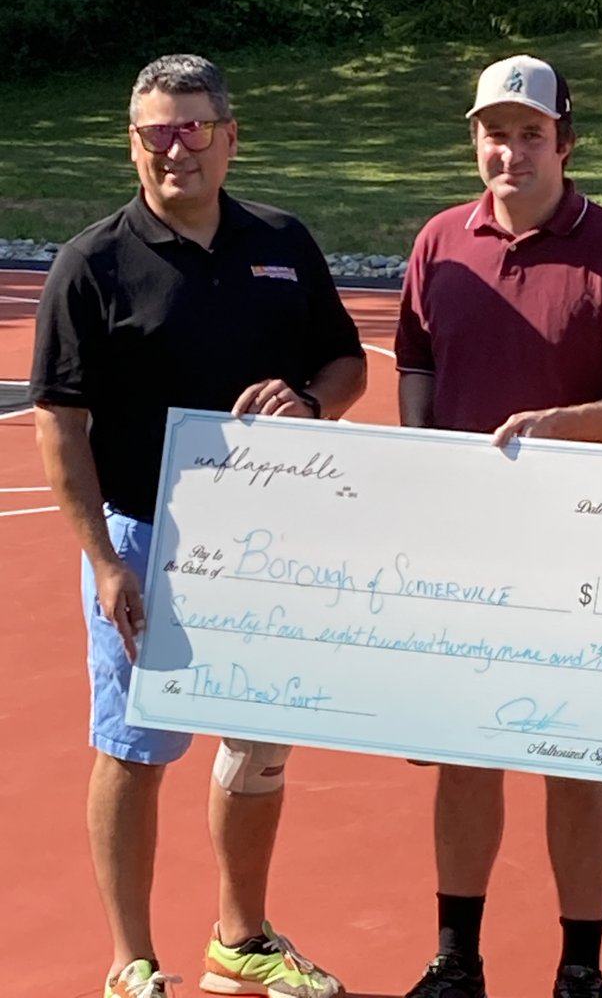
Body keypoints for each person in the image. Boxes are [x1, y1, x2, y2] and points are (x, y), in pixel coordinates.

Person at [30, 54, 367, 998]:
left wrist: (309, 400)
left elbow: (347, 366)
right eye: (155, 133)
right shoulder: (91, 263)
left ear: (229, 136)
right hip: (143, 541)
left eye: (192, 128)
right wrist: (102, 559)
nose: (175, 148)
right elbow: (60, 424)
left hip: (268, 546)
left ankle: (239, 935)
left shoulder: (281, 242)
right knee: (135, 752)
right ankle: (130, 960)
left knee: (259, 743)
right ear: (132, 144)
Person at [395, 54, 602, 998]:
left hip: (582, 542)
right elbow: (418, 361)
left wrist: (556, 429)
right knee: (468, 755)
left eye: (528, 133)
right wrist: (422, 454)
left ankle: (580, 965)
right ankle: (456, 957)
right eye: (493, 132)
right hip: (467, 544)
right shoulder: (439, 240)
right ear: (474, 139)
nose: (509, 150)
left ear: (565, 139)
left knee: (572, 756)